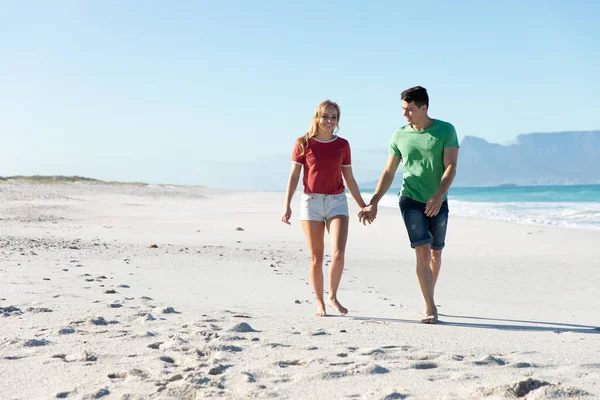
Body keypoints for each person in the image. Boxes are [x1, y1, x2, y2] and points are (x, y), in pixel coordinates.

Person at [359, 86, 459, 324]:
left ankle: (428, 297)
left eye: (410, 110)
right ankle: (430, 305)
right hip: (410, 199)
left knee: (436, 254)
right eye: (403, 109)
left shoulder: (446, 130)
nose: (405, 115)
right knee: (422, 253)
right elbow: (389, 171)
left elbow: (451, 166)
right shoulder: (399, 135)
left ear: (423, 108)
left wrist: (438, 195)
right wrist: (373, 202)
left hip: (438, 200)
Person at [282, 100, 369, 317]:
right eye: (326, 117)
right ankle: (319, 302)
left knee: (338, 253)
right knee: (316, 257)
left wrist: (362, 205)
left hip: (337, 201)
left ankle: (332, 296)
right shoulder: (303, 143)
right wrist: (287, 206)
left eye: (334, 117)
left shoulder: (343, 145)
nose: (329, 121)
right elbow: (294, 176)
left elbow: (349, 178)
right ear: (317, 117)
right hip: (310, 203)